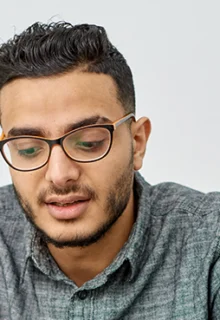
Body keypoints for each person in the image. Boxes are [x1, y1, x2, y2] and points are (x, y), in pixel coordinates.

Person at [0, 21, 219, 320]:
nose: (59, 175)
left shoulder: (209, 243)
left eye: (89, 143)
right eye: (28, 148)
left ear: (137, 142)